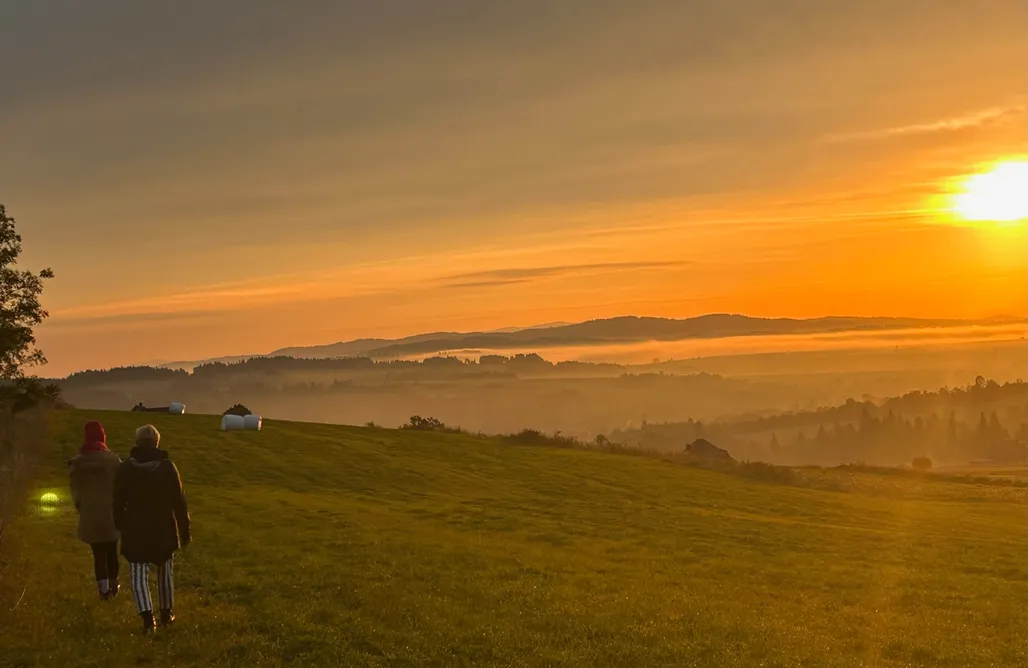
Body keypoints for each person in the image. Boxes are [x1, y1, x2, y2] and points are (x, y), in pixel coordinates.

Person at [112, 424, 191, 634]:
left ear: (137, 442)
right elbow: (179, 502)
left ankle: (148, 619)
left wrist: (120, 524)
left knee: (138, 573)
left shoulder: (126, 468)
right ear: (157, 442)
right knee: (165, 571)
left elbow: (117, 501)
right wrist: (184, 531)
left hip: (135, 527)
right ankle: (166, 613)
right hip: (163, 525)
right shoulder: (167, 467)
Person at [68, 420, 122, 600]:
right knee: (112, 550)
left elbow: (75, 490)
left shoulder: (78, 463)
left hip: (90, 513)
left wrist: (82, 507)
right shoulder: (113, 460)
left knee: (98, 553)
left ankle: (103, 590)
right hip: (111, 512)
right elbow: (122, 486)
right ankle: (115, 586)